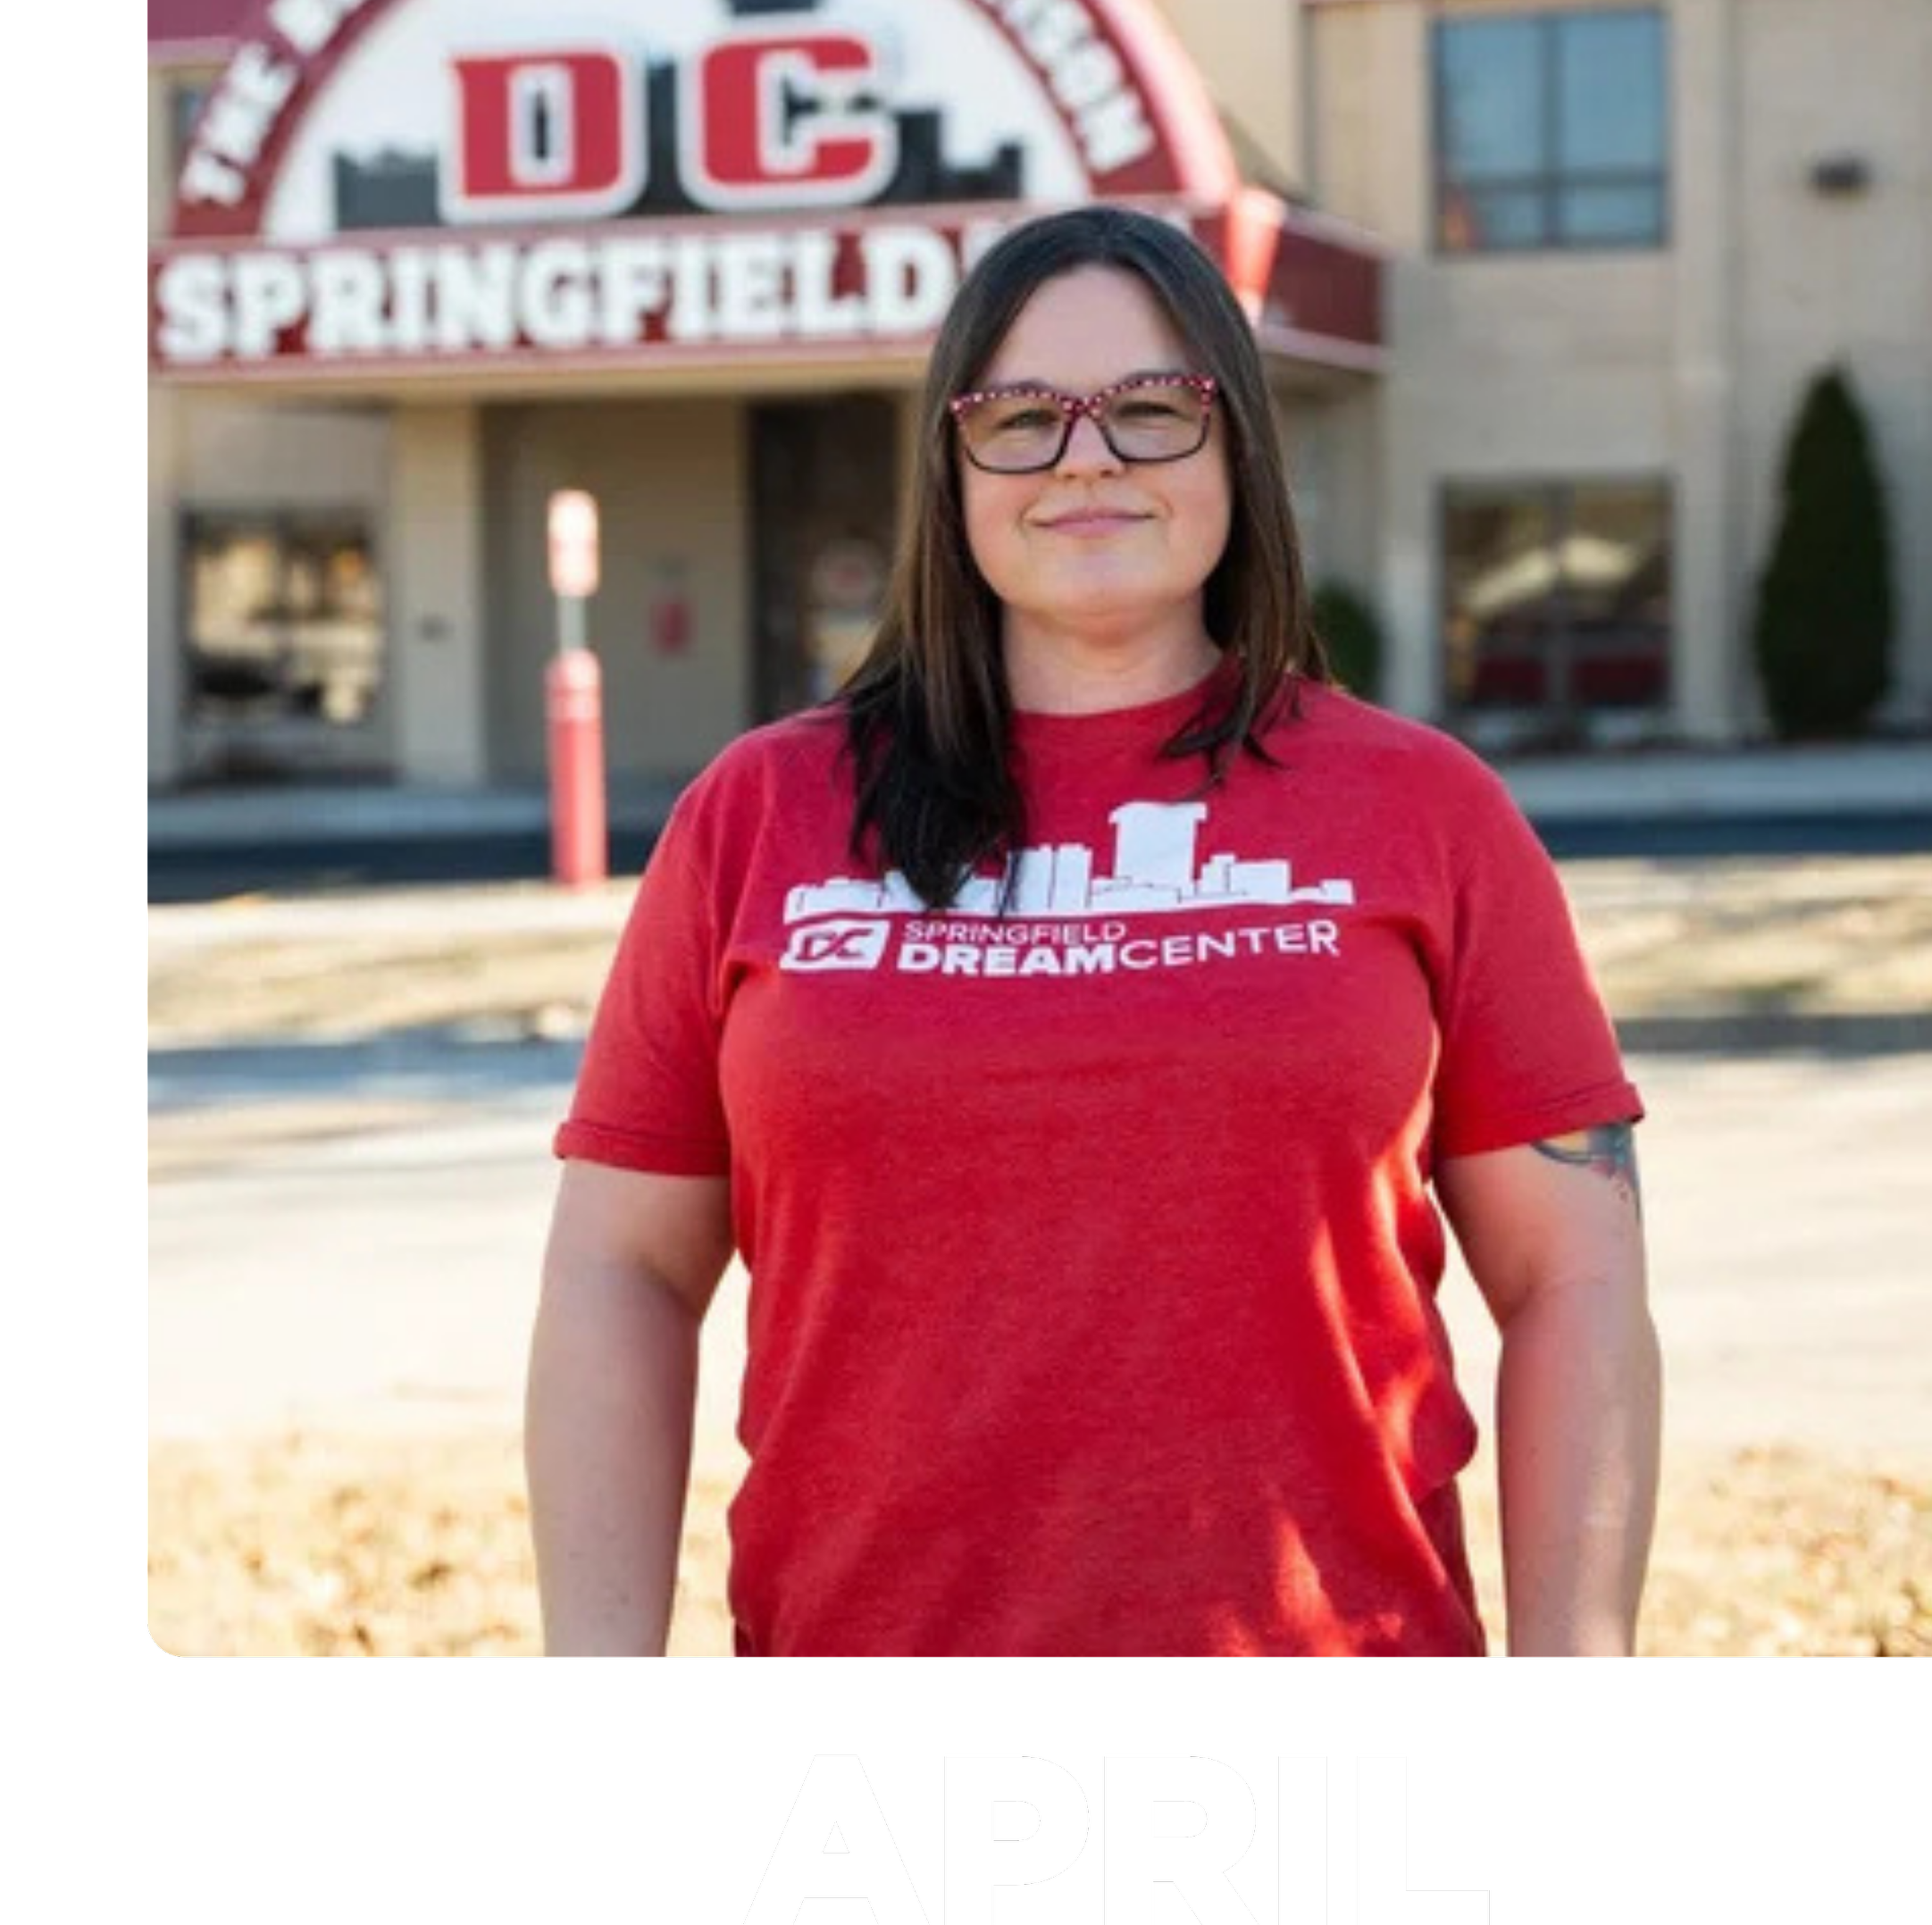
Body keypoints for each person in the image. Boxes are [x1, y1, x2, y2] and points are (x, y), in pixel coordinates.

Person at [525, 204, 1660, 1659]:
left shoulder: (1423, 809)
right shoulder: (762, 813)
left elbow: (1576, 1275)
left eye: (1149, 408)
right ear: (950, 465)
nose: (1085, 457)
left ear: (1237, 447)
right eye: (1020, 417)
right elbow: (621, 1267)